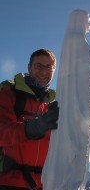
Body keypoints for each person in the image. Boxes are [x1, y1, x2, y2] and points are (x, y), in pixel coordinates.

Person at [42, 9, 90, 190]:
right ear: (80, 19)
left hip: (75, 95)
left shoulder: (73, 39)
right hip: (75, 97)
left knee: (73, 137)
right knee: (73, 136)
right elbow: (81, 70)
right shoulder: (76, 39)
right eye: (88, 19)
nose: (89, 23)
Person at [0, 48, 59, 190]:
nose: (44, 71)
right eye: (38, 66)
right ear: (29, 67)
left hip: (43, 184)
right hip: (9, 183)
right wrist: (31, 128)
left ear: (54, 70)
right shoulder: (9, 93)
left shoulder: (50, 105)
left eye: (49, 67)